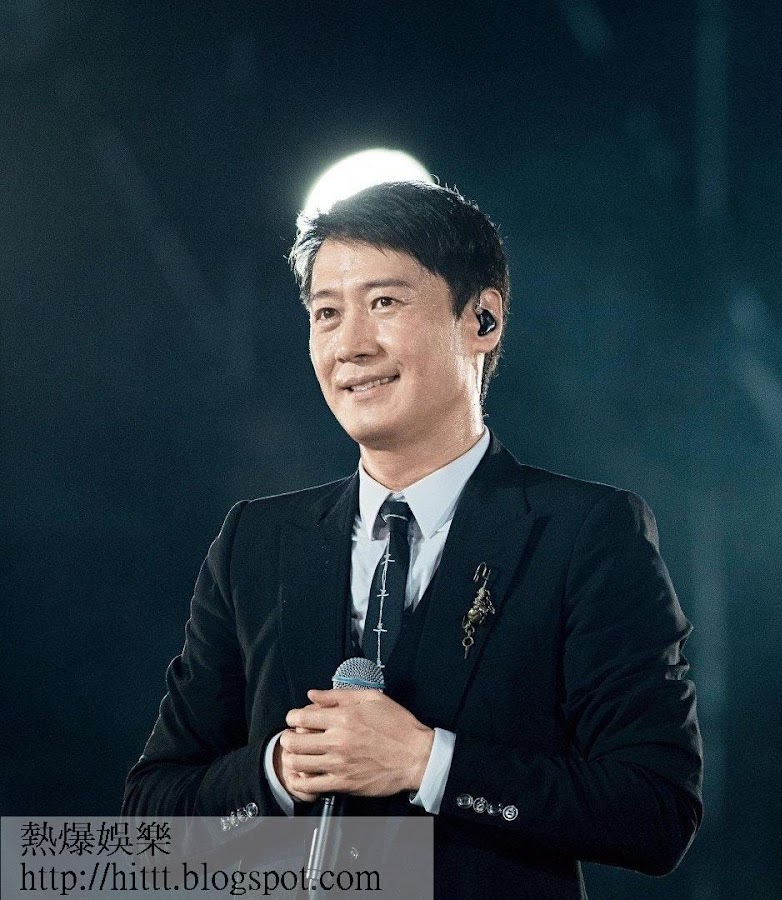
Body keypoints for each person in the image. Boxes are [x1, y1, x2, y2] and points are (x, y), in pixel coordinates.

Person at [123, 180, 702, 897]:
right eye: (326, 313)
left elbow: (654, 811)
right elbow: (152, 816)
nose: (351, 344)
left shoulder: (587, 533)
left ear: (482, 319)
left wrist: (428, 764)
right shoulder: (256, 542)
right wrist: (279, 771)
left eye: (384, 303)